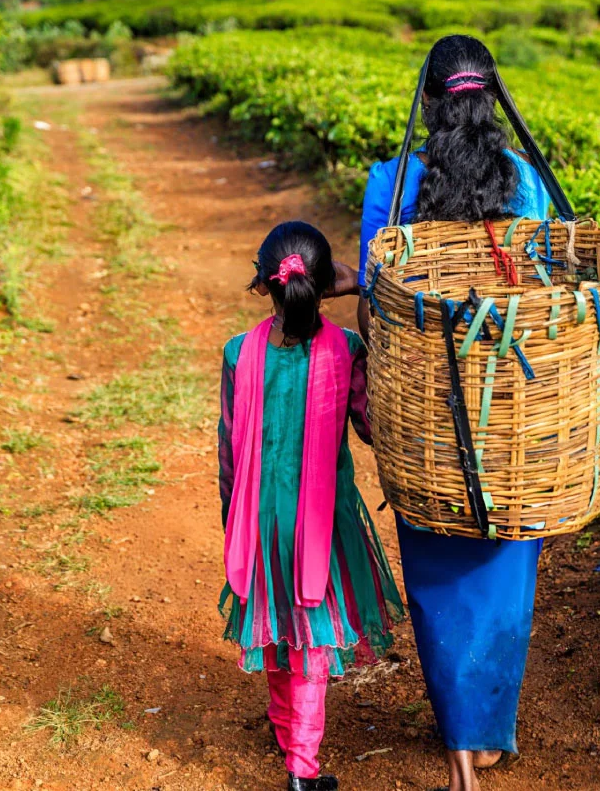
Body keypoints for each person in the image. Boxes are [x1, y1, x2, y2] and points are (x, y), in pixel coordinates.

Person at [357, 35, 550, 791]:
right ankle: (486, 729)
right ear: (493, 102)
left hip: (427, 418)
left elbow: (379, 295)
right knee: (502, 560)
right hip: (512, 413)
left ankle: (457, 732)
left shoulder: (389, 182)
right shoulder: (527, 184)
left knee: (437, 563)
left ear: (428, 103)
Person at [218, 221, 405, 791]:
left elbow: (228, 449)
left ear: (261, 285)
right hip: (322, 524)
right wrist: (372, 315)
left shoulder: (238, 353)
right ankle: (302, 768)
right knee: (312, 636)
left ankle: (284, 726)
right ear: (325, 286)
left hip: (260, 515)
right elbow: (372, 428)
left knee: (274, 620)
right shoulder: (345, 349)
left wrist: (235, 519)